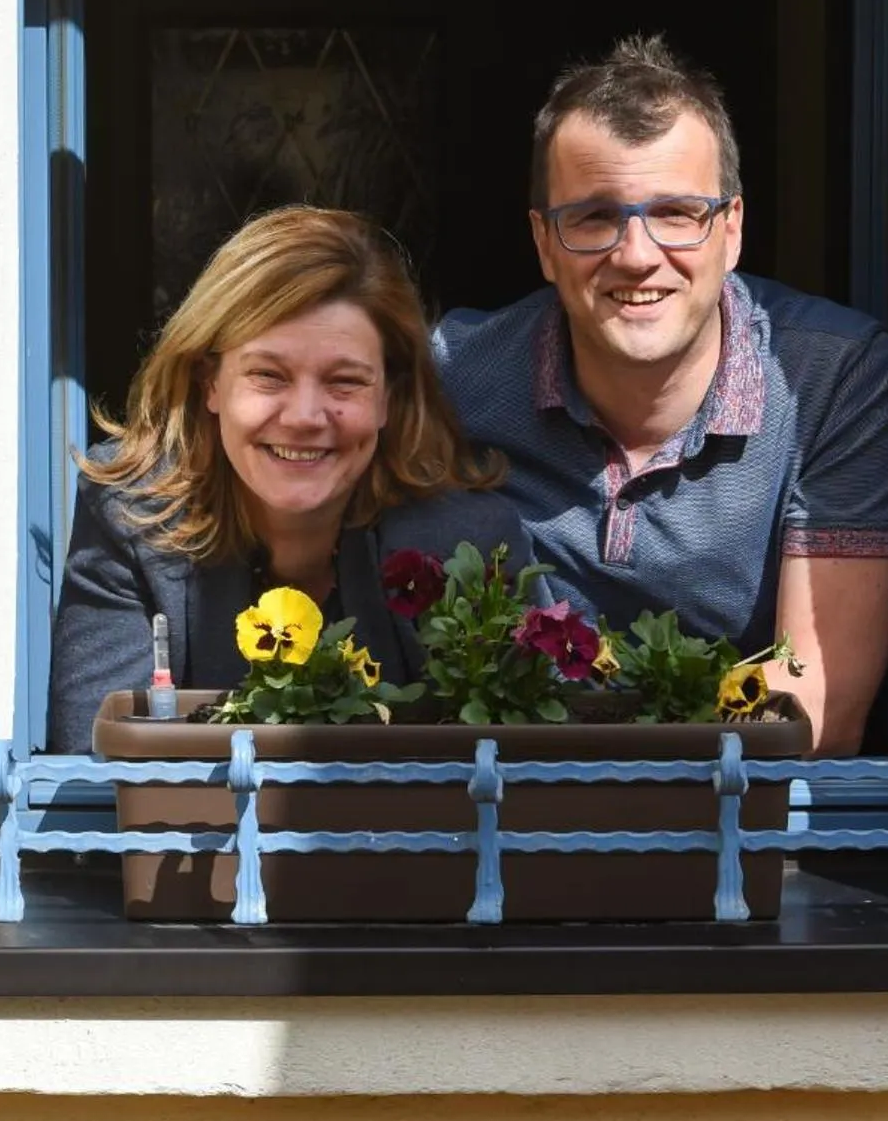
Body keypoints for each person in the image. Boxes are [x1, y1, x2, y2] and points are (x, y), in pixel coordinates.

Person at [433, 36, 888, 753]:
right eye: (594, 216)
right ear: (543, 242)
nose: (635, 253)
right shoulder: (451, 376)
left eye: (677, 213)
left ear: (731, 228)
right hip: (500, 829)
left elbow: (815, 717)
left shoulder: (833, 381)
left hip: (740, 841)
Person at [48, 206, 530, 752]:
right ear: (210, 384)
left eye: (344, 381)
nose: (304, 416)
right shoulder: (134, 516)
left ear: (387, 400)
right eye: (268, 376)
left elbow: (514, 790)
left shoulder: (469, 543)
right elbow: (91, 779)